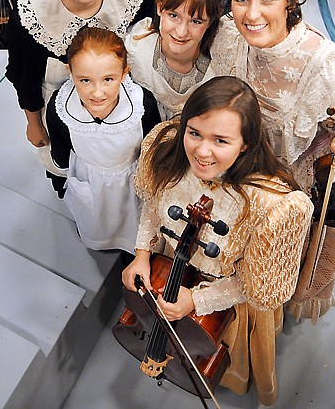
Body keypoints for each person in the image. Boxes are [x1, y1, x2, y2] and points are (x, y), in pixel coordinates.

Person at [122, 76, 313, 405]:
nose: (202, 151)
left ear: (246, 144)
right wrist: (141, 255)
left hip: (225, 292)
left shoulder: (270, 206)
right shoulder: (170, 148)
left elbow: (253, 287)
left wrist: (196, 302)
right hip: (173, 261)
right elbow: (154, 204)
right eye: (194, 132)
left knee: (218, 344)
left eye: (220, 140)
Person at [211, 0, 335, 320]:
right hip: (229, 180)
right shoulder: (229, 36)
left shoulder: (329, 66)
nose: (252, 13)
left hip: (287, 203)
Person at [5, 0, 151, 164]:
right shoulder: (32, 12)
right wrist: (34, 123)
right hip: (60, 105)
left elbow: (150, 43)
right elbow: (24, 74)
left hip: (122, 93)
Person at [45, 26, 160, 253]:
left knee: (131, 221)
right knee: (95, 220)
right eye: (85, 80)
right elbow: (61, 153)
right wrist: (62, 180)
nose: (97, 93)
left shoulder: (141, 105)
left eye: (108, 79)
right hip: (89, 177)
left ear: (124, 73)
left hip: (130, 179)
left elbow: (152, 146)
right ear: (71, 72)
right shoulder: (60, 108)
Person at [125, 0, 230, 120]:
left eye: (196, 21)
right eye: (174, 16)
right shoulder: (136, 50)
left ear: (210, 22)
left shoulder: (220, 68)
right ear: (160, 8)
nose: (181, 32)